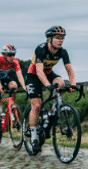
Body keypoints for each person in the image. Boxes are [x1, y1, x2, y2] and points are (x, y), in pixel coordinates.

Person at [24, 26, 76, 154]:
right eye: (58, 38)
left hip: (49, 73)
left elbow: (69, 69)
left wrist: (73, 84)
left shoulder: (62, 52)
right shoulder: (41, 49)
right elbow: (39, 71)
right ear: (49, 38)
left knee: (61, 83)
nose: (60, 41)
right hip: (34, 75)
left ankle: (54, 109)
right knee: (36, 105)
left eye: (62, 38)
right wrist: (47, 85)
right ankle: (34, 137)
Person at [0, 44, 26, 143]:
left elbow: (19, 75)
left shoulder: (15, 62)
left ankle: (11, 106)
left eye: (13, 54)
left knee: (14, 85)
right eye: (10, 55)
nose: (12, 57)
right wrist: (0, 87)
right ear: (4, 54)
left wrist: (24, 86)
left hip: (4, 79)